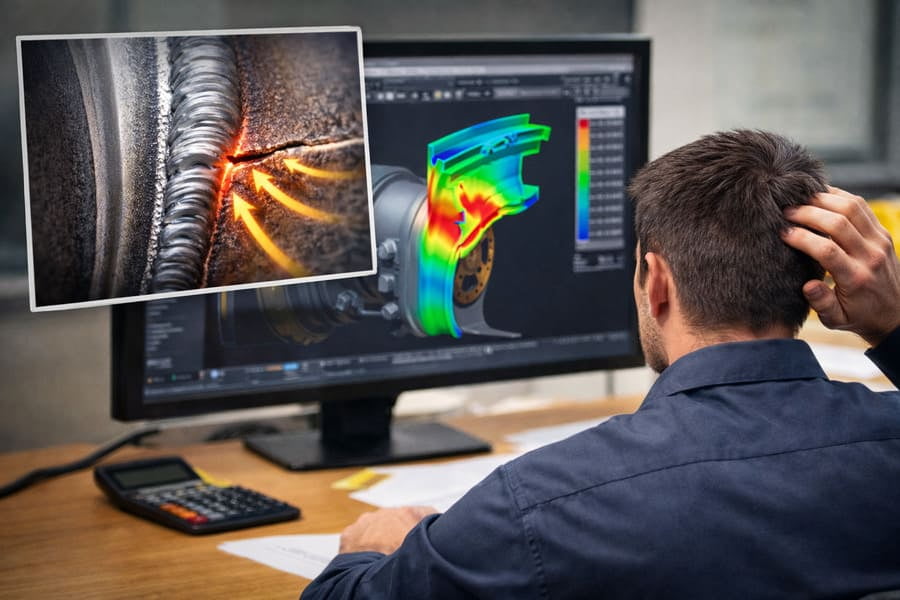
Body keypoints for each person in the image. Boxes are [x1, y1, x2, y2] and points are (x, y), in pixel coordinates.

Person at [302, 130, 900, 599]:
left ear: (655, 282)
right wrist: (891, 327)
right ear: (817, 282)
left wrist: (369, 553)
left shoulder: (539, 505)